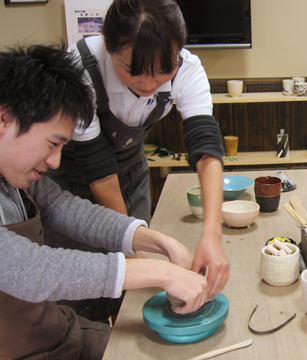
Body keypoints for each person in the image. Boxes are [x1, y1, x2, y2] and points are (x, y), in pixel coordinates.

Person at [0, 44, 209, 360]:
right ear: (4, 119)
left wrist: (160, 242)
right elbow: (31, 269)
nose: (56, 161)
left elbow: (67, 210)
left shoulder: (15, 175)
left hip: (54, 331)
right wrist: (163, 274)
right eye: (52, 144)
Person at [45, 0, 229, 322]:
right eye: (132, 70)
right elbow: (98, 169)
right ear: (107, 45)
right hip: (73, 183)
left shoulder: (187, 68)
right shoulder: (80, 68)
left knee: (135, 290)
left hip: (131, 170)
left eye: (163, 71)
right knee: (86, 291)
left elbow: (206, 149)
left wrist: (212, 234)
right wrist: (133, 251)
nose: (148, 84)